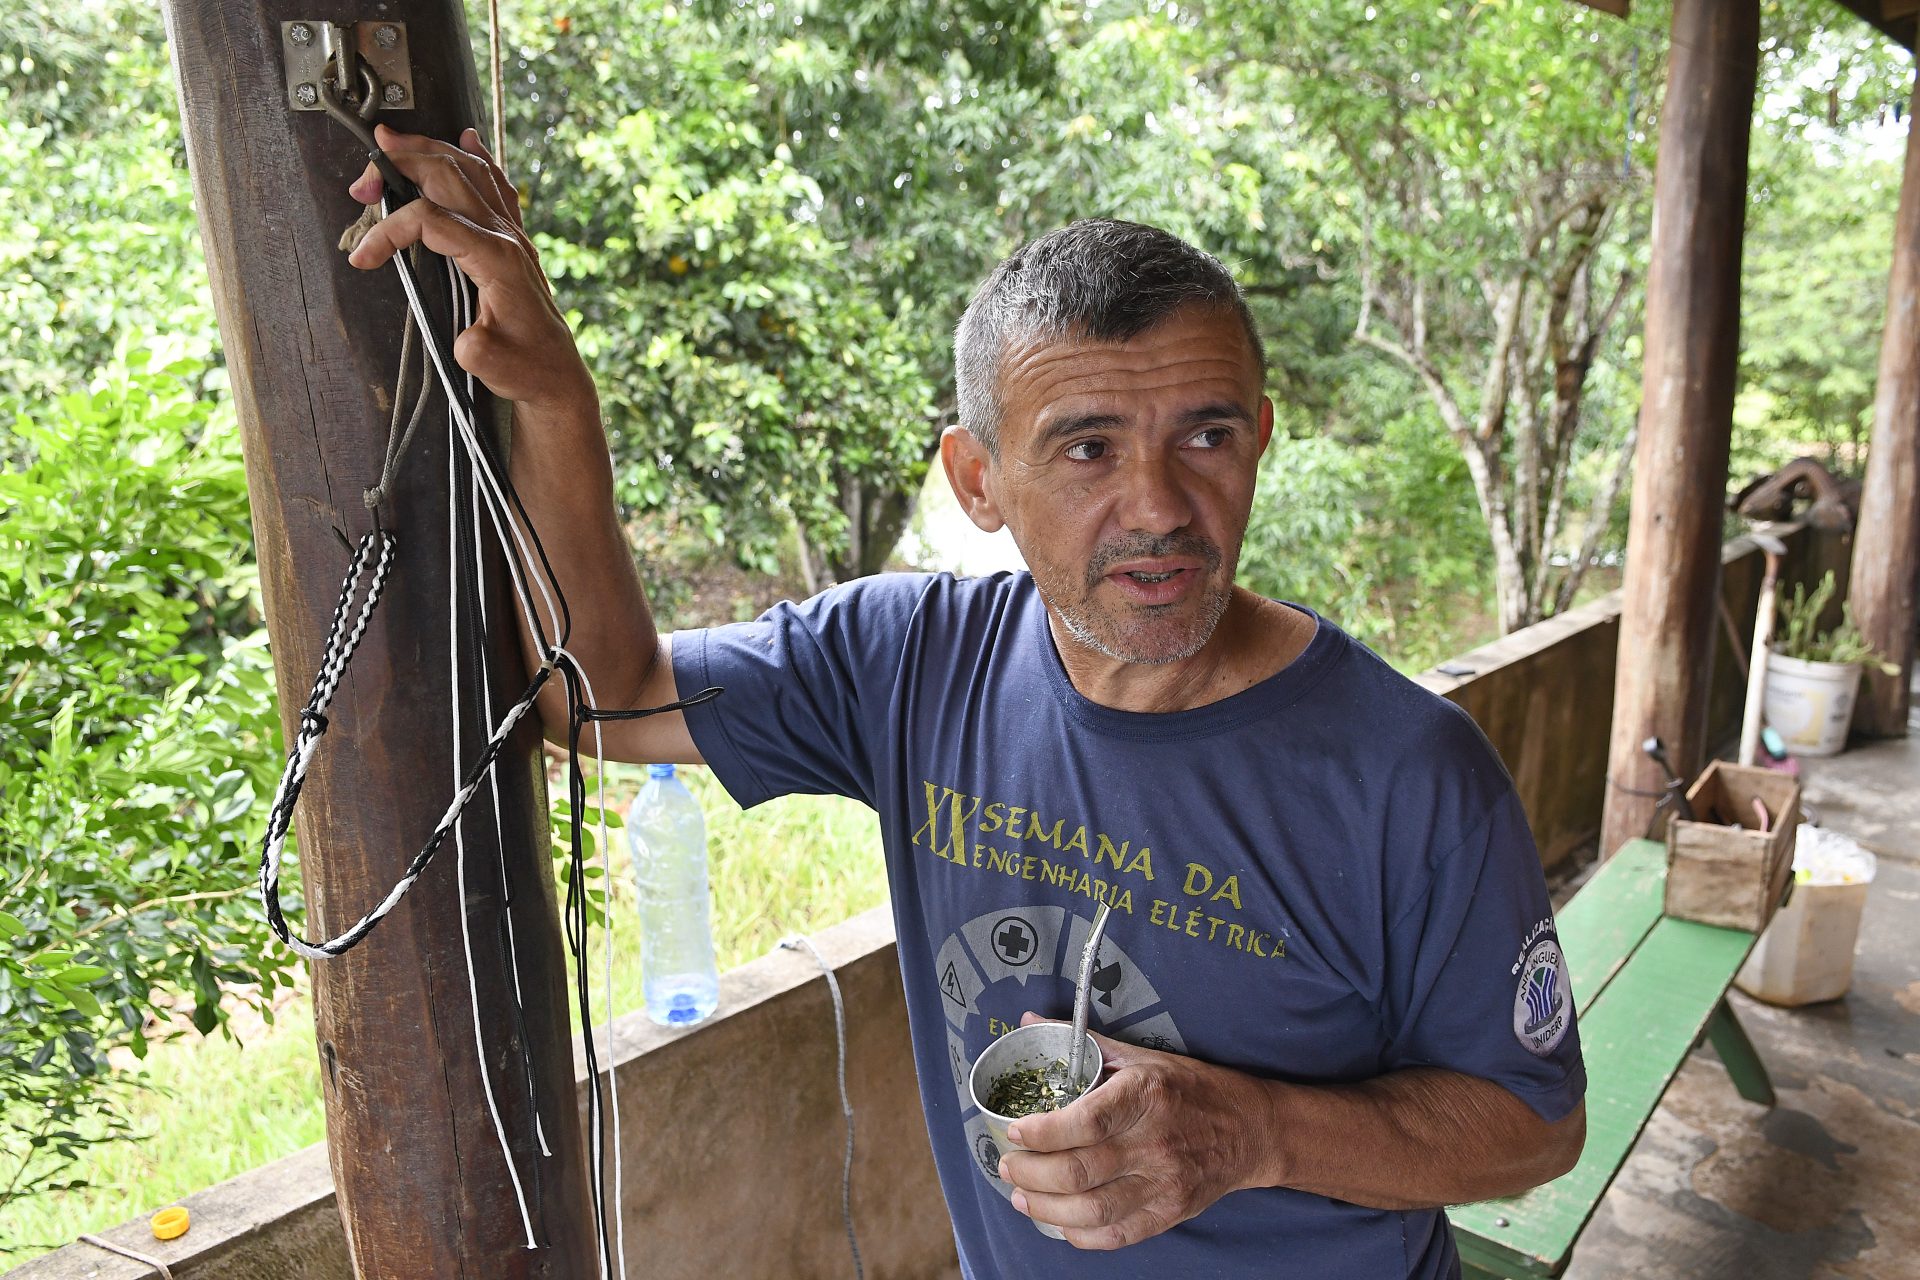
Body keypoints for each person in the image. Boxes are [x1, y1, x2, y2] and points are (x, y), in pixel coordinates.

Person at [347, 124, 1586, 1278]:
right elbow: (601, 699)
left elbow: (1531, 1126)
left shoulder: (1406, 769)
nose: (1157, 504)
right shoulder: (912, 661)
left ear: (1259, 437)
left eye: (1205, 437)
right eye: (1088, 446)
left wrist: (1253, 1131)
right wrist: (557, 398)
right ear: (979, 478)